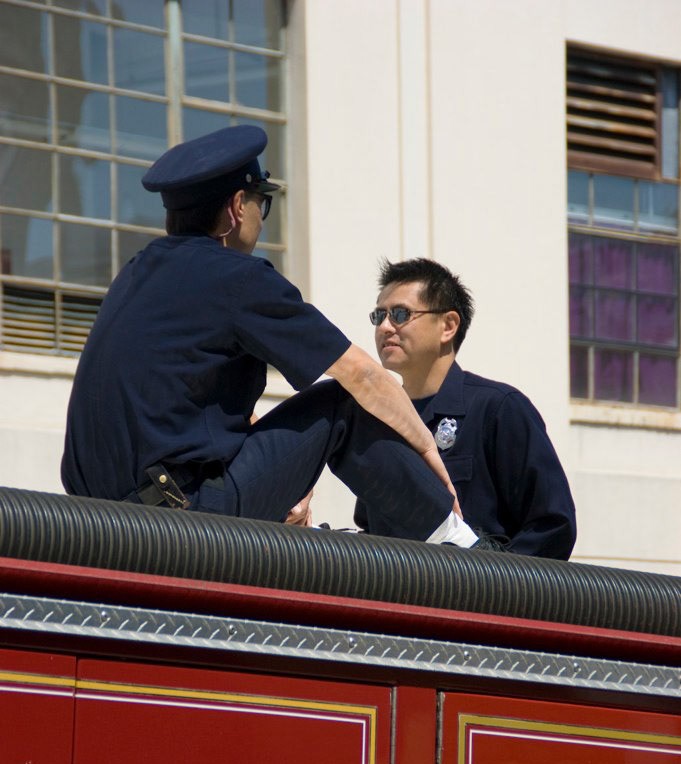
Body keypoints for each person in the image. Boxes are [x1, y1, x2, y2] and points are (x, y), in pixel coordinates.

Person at [61, 126, 482, 548]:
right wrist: (430, 453)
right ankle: (459, 547)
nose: (261, 217)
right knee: (342, 405)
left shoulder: (136, 273)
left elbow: (184, 405)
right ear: (235, 209)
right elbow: (363, 378)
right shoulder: (237, 278)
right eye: (262, 202)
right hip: (183, 522)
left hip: (98, 524)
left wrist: (285, 474)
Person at [353, 258, 577, 558]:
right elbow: (372, 530)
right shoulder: (378, 422)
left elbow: (552, 527)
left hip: (477, 600)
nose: (384, 327)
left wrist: (494, 586)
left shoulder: (498, 409)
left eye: (400, 314)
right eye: (379, 315)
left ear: (448, 326)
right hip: (399, 600)